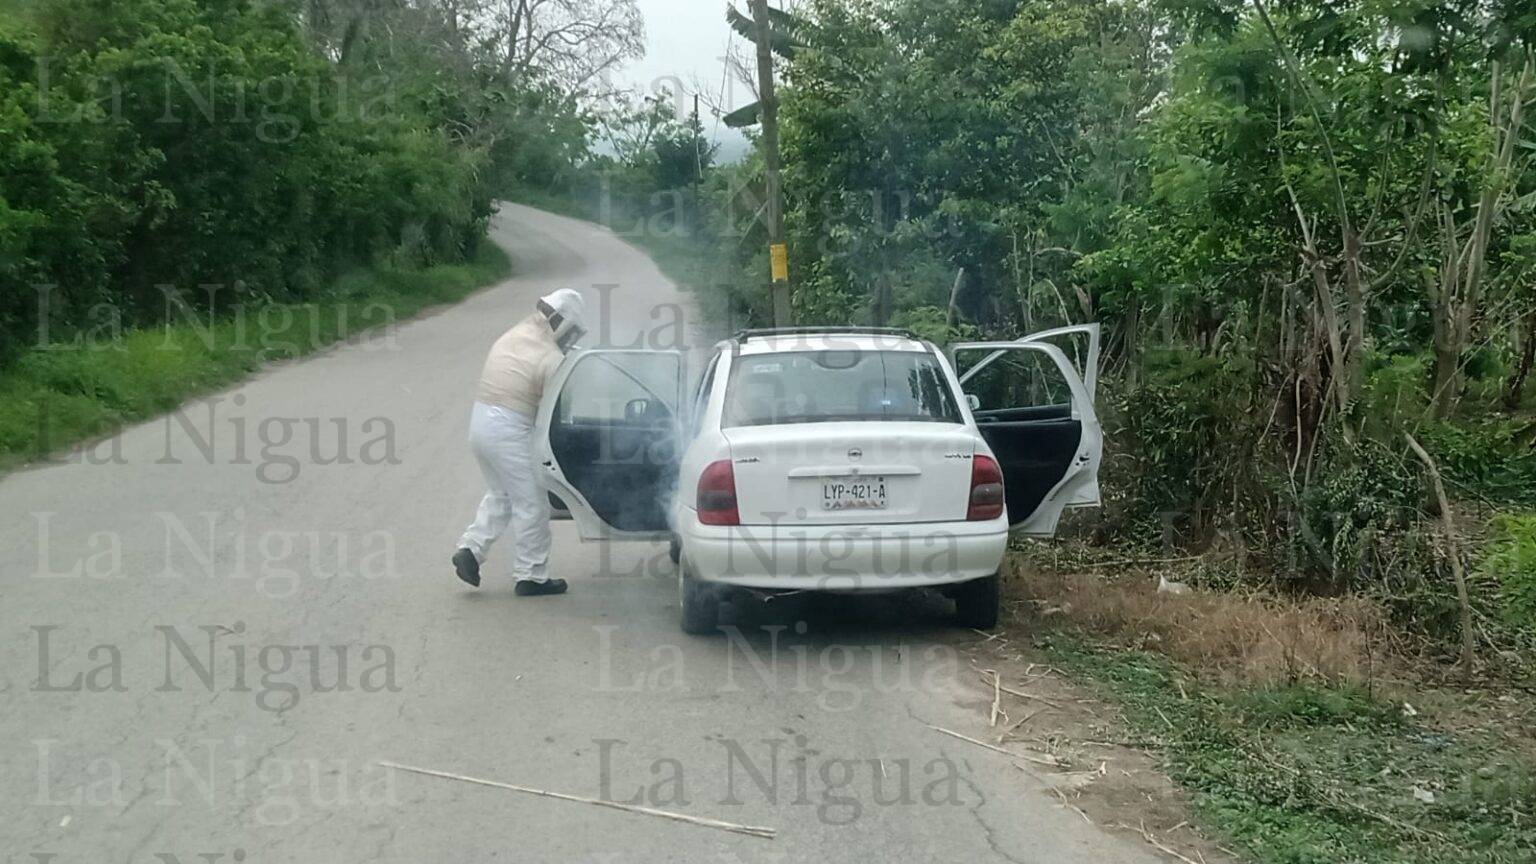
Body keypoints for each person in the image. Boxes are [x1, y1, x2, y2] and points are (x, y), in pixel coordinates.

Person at [452, 289, 586, 595]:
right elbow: (554, 413)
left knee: (502, 494)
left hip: (481, 423)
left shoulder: (514, 335)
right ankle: (532, 576)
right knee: (533, 503)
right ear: (564, 323)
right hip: (509, 429)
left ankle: (470, 550)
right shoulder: (550, 356)